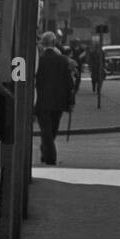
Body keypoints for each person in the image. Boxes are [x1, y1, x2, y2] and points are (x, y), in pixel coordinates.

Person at [34, 32, 77, 165]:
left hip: (41, 101)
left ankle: (46, 150)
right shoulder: (63, 60)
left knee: (46, 129)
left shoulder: (38, 60)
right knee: (52, 129)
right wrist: (70, 102)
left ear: (42, 44)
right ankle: (50, 156)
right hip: (59, 101)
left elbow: (34, 81)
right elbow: (69, 83)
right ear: (54, 43)